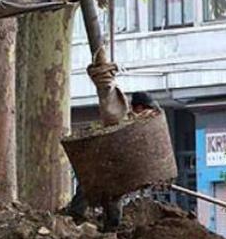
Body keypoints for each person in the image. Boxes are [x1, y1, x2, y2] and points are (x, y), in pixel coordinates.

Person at [66, 91, 161, 231]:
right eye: (148, 110)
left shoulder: (141, 126)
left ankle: (109, 231)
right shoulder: (123, 120)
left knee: (113, 202)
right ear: (140, 108)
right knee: (87, 190)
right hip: (101, 165)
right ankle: (75, 219)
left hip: (116, 171)